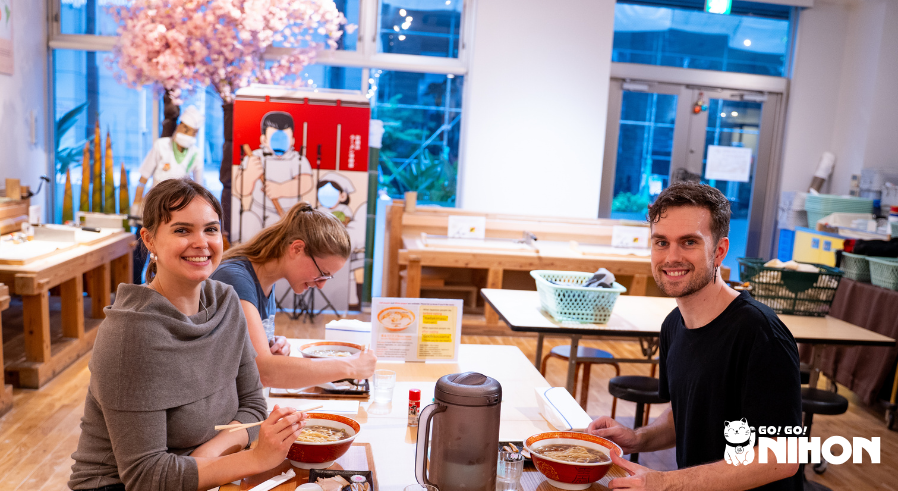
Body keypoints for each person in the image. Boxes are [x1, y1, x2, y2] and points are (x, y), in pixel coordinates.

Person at [69, 178, 308, 491]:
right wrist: (255, 459)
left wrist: (207, 456)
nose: (202, 242)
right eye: (182, 230)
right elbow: (145, 475)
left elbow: (252, 406)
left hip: (201, 476)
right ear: (149, 240)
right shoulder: (131, 333)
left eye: (210, 229)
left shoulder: (226, 302)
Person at [587, 182, 801, 491]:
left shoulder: (759, 333)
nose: (671, 257)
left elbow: (782, 457)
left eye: (689, 242)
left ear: (720, 251)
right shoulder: (674, 325)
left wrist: (665, 482)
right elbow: (686, 413)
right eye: (661, 242)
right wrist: (637, 438)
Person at [210, 201, 378, 388]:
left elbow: (248, 359)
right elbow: (265, 372)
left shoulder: (264, 281)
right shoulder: (235, 279)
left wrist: (269, 345)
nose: (321, 285)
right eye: (322, 274)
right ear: (297, 249)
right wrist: (350, 367)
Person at [131, 105, 205, 283]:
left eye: (192, 132)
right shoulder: (161, 146)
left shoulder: (195, 154)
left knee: (166, 256)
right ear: (179, 126)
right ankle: (135, 289)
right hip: (153, 208)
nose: (188, 134)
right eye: (185, 129)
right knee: (140, 253)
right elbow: (143, 178)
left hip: (178, 213)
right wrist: (136, 205)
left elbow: (199, 187)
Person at [233, 110, 313, 242]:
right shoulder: (255, 157)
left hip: (286, 214)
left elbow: (306, 182)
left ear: (292, 140)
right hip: (257, 210)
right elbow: (241, 189)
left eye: (284, 138)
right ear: (263, 139)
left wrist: (280, 189)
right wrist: (250, 174)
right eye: (275, 138)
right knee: (248, 223)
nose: (280, 143)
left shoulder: (297, 160)